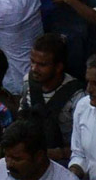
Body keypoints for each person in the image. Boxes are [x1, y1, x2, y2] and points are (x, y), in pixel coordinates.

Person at [19, 32, 85, 165]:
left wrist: (58, 153)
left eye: (42, 65)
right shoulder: (28, 81)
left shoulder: (78, 97)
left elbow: (84, 146)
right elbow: (22, 111)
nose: (34, 69)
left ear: (58, 67)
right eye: (32, 62)